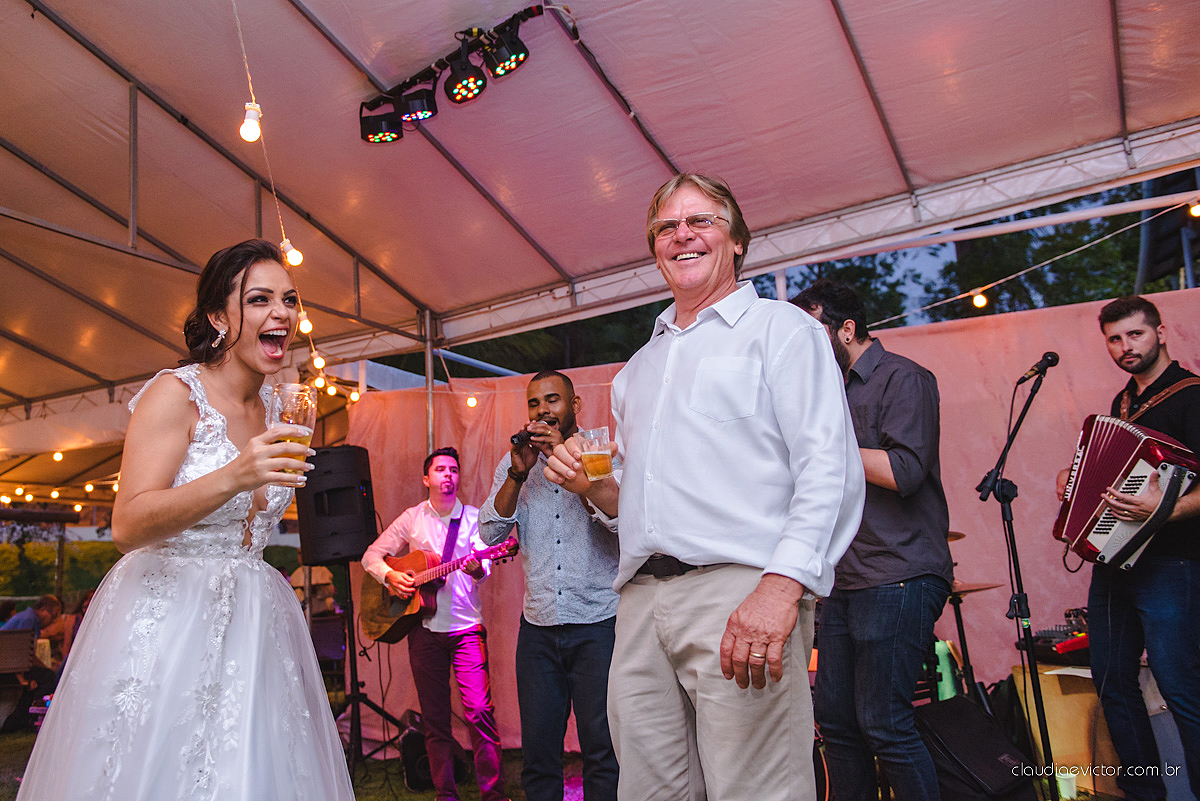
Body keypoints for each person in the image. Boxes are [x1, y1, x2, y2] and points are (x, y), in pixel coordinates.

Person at [545, 173, 865, 801]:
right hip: (638, 605)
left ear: (737, 240)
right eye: (667, 227)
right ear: (653, 246)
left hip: (741, 591)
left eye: (702, 221)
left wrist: (781, 586)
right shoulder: (638, 370)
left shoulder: (782, 331)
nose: (682, 235)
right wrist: (595, 489)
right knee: (648, 791)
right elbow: (638, 503)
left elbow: (830, 469)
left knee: (758, 790)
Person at [15, 239, 355, 801]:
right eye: (260, 300)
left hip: (255, 620)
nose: (282, 314)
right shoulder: (176, 395)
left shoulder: (282, 409)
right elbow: (127, 524)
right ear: (219, 317)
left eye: (289, 301)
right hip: (170, 616)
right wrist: (235, 475)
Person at [793, 278, 953, 801]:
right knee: (835, 724)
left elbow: (906, 471)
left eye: (813, 333)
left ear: (846, 328)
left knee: (884, 724)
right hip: (842, 577)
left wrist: (827, 442)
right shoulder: (823, 393)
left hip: (899, 572)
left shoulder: (902, 378)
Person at [1055, 295, 1200, 801]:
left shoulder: (1191, 396)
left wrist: (1161, 512)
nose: (1124, 347)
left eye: (1135, 334)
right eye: (1114, 339)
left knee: (1182, 690)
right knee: (1113, 684)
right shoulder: (1122, 405)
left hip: (1172, 564)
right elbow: (1114, 475)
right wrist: (1073, 481)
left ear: (1161, 332)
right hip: (1115, 565)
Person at [478, 370, 620, 801]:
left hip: (599, 624)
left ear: (574, 406)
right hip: (538, 628)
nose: (543, 411)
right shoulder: (516, 462)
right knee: (539, 759)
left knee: (603, 751)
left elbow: (618, 523)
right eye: (535, 404)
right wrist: (517, 475)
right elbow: (489, 534)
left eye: (553, 401)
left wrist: (562, 455)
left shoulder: (601, 452)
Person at [362, 446, 509, 801]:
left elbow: (485, 564)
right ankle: (446, 794)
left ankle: (494, 794)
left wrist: (481, 567)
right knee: (435, 719)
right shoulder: (412, 518)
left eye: (454, 469)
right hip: (424, 631)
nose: (448, 475)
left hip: (466, 630)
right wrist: (390, 579)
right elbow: (371, 556)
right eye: (440, 469)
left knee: (478, 712)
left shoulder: (475, 518)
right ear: (426, 478)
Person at [1, 594, 62, 697]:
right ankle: (33, 710)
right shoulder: (28, 619)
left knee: (48, 674)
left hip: (9, 667)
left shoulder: (30, 619)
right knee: (48, 678)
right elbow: (18, 651)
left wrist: (46, 667)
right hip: (6, 669)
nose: (53, 620)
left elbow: (27, 655)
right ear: (43, 610)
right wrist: (23, 680)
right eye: (54, 615)